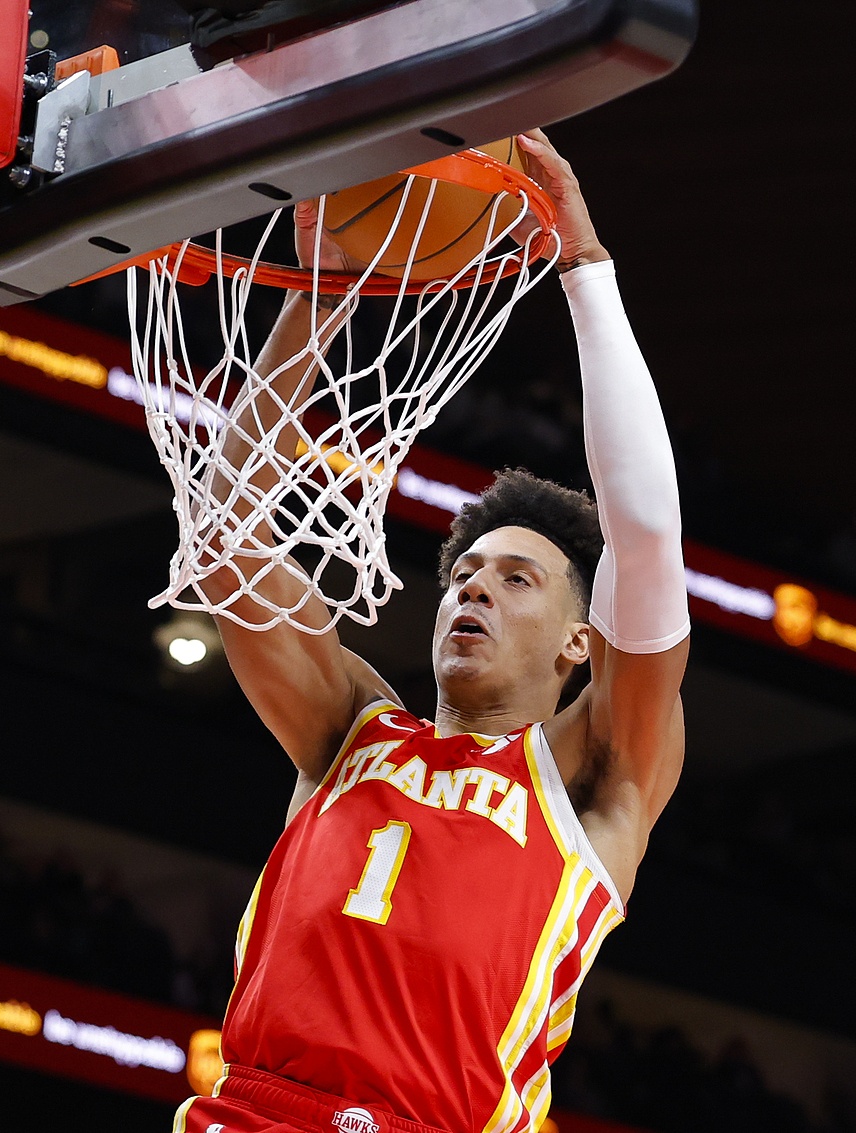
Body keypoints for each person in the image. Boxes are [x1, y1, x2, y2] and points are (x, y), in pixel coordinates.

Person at [176, 130, 690, 1133]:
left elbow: (647, 536)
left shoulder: (592, 775)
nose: (472, 589)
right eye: (462, 574)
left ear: (578, 639)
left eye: (515, 578)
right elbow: (227, 531)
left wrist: (585, 269)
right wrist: (319, 300)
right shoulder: (352, 729)